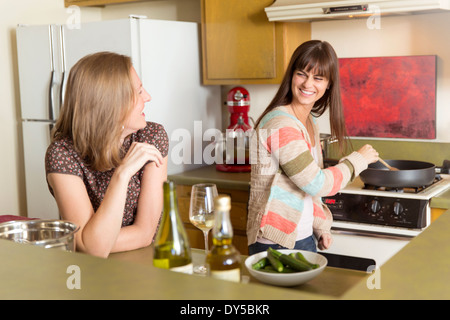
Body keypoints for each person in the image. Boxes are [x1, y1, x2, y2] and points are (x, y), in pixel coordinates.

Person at [247, 40, 379, 255]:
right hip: (275, 241)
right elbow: (316, 184)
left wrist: (319, 227)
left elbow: (307, 188)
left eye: (318, 78)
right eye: (302, 74)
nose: (308, 84)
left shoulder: (310, 122)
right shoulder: (281, 125)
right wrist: (357, 161)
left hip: (302, 236)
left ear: (328, 84)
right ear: (292, 75)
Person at [45, 52, 168, 258]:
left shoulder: (151, 137)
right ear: (111, 104)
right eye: (138, 92)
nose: (147, 96)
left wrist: (91, 241)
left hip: (145, 259)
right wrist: (122, 174)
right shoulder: (62, 154)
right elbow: (91, 250)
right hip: (89, 271)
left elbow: (145, 234)